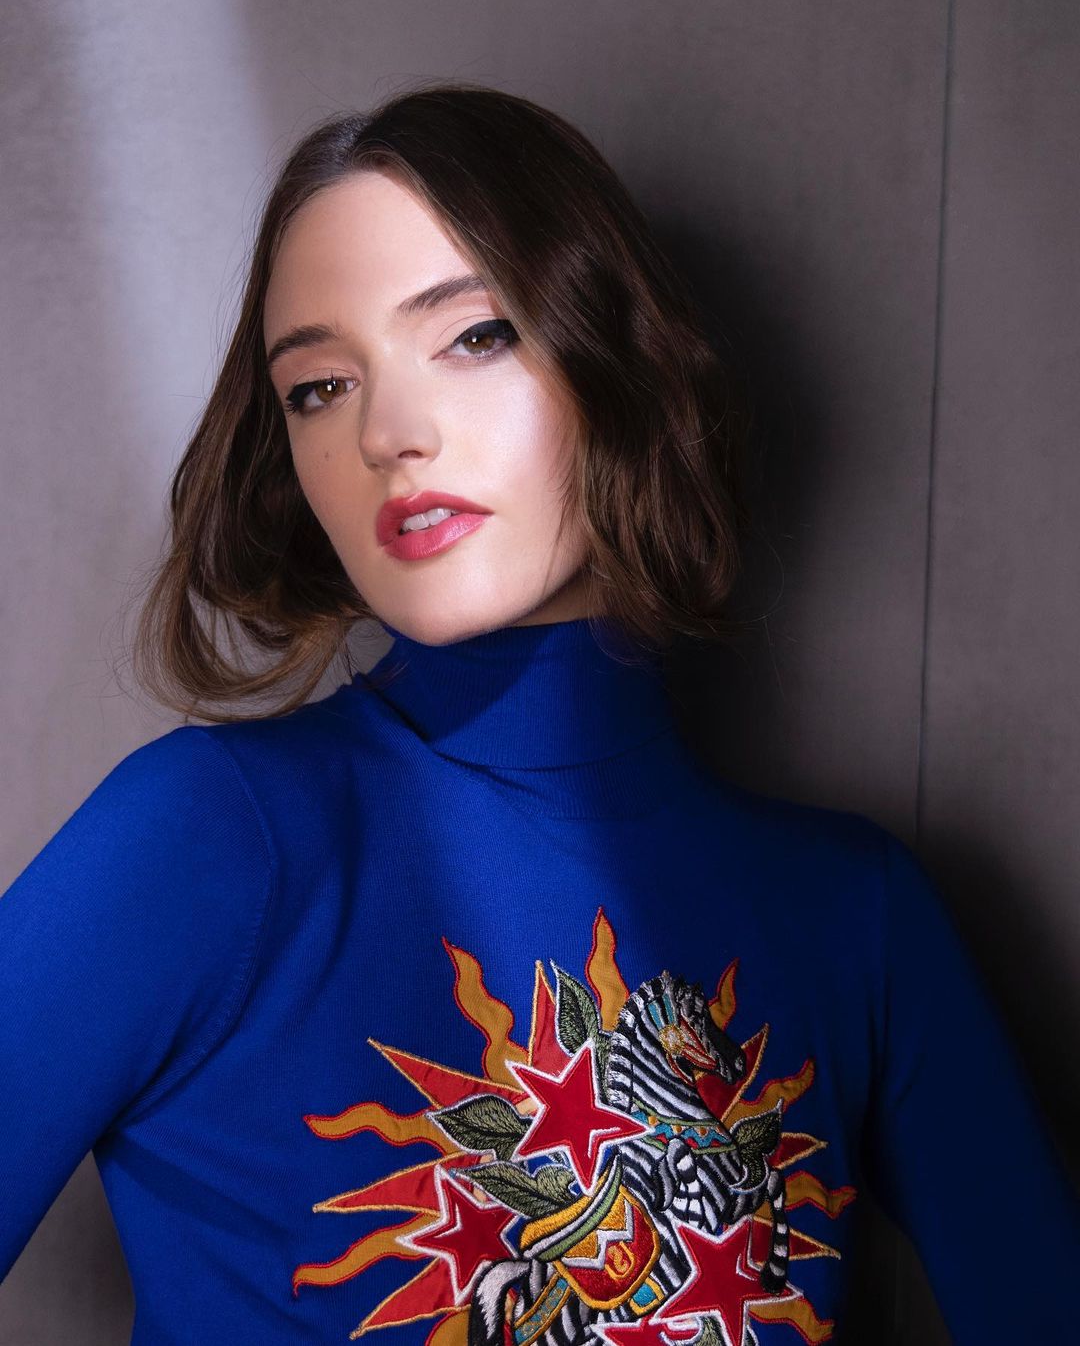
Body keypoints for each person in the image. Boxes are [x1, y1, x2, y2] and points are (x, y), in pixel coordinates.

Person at [1, 80, 1077, 1346]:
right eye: (320, 387)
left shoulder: (856, 915)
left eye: (473, 335)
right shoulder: (209, 839)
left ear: (616, 362)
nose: (389, 433)